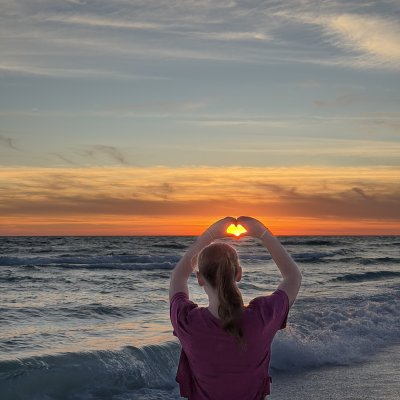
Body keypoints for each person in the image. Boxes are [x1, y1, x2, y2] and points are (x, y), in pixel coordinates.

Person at [169, 216, 302, 400]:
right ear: (238, 274)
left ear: (199, 278)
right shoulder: (262, 318)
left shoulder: (188, 322)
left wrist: (210, 234)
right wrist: (262, 233)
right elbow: (293, 276)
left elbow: (178, 276)